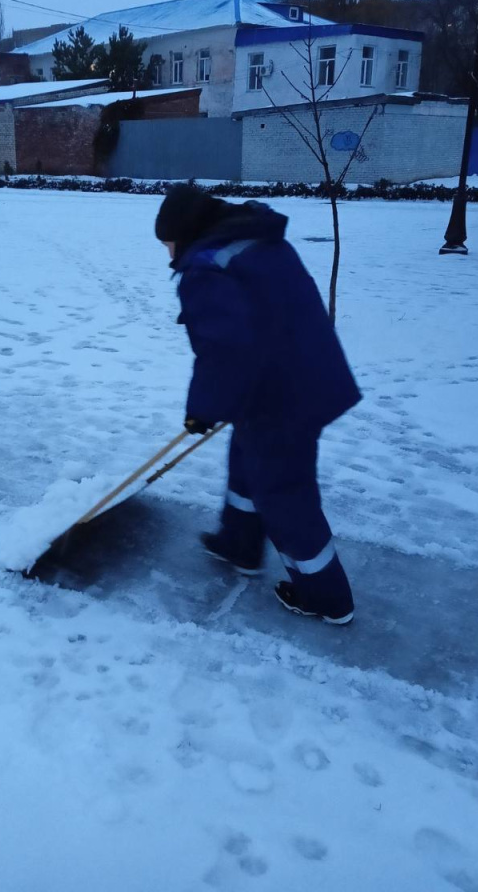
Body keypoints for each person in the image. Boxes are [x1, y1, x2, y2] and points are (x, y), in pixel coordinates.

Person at [155, 184, 360, 625]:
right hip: (297, 376)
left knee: (284, 491)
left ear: (185, 232)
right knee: (249, 459)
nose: (168, 251)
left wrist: (204, 408)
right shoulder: (251, 241)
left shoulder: (208, 268)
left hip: (283, 393)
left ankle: (326, 596)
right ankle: (240, 544)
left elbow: (225, 349)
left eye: (167, 241)